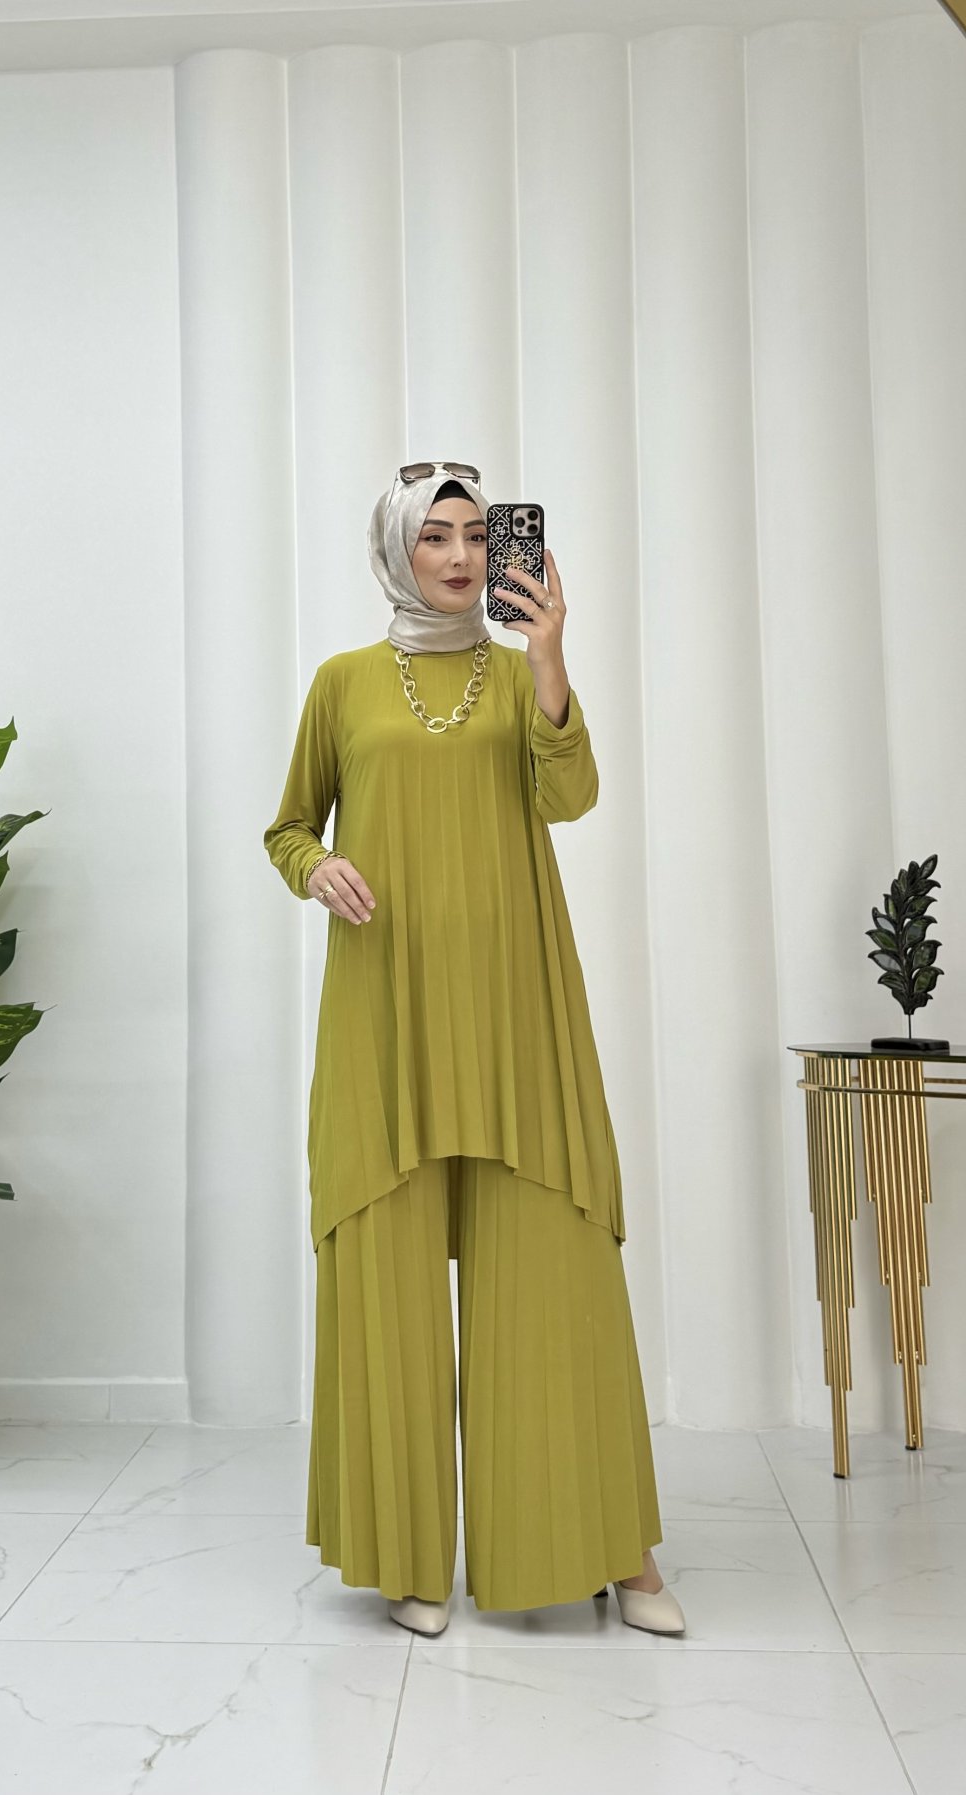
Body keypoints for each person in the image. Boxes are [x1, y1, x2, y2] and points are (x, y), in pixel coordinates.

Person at [263, 460, 685, 1640]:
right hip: (385, 1014)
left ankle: (610, 1547)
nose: (458, 556)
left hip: (516, 1007)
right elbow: (288, 825)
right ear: (397, 549)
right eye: (435, 535)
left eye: (475, 535)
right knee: (387, 1280)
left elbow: (570, 800)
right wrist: (317, 867)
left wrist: (550, 661)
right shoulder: (343, 683)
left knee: (554, 1273)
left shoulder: (515, 676)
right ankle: (403, 1549)